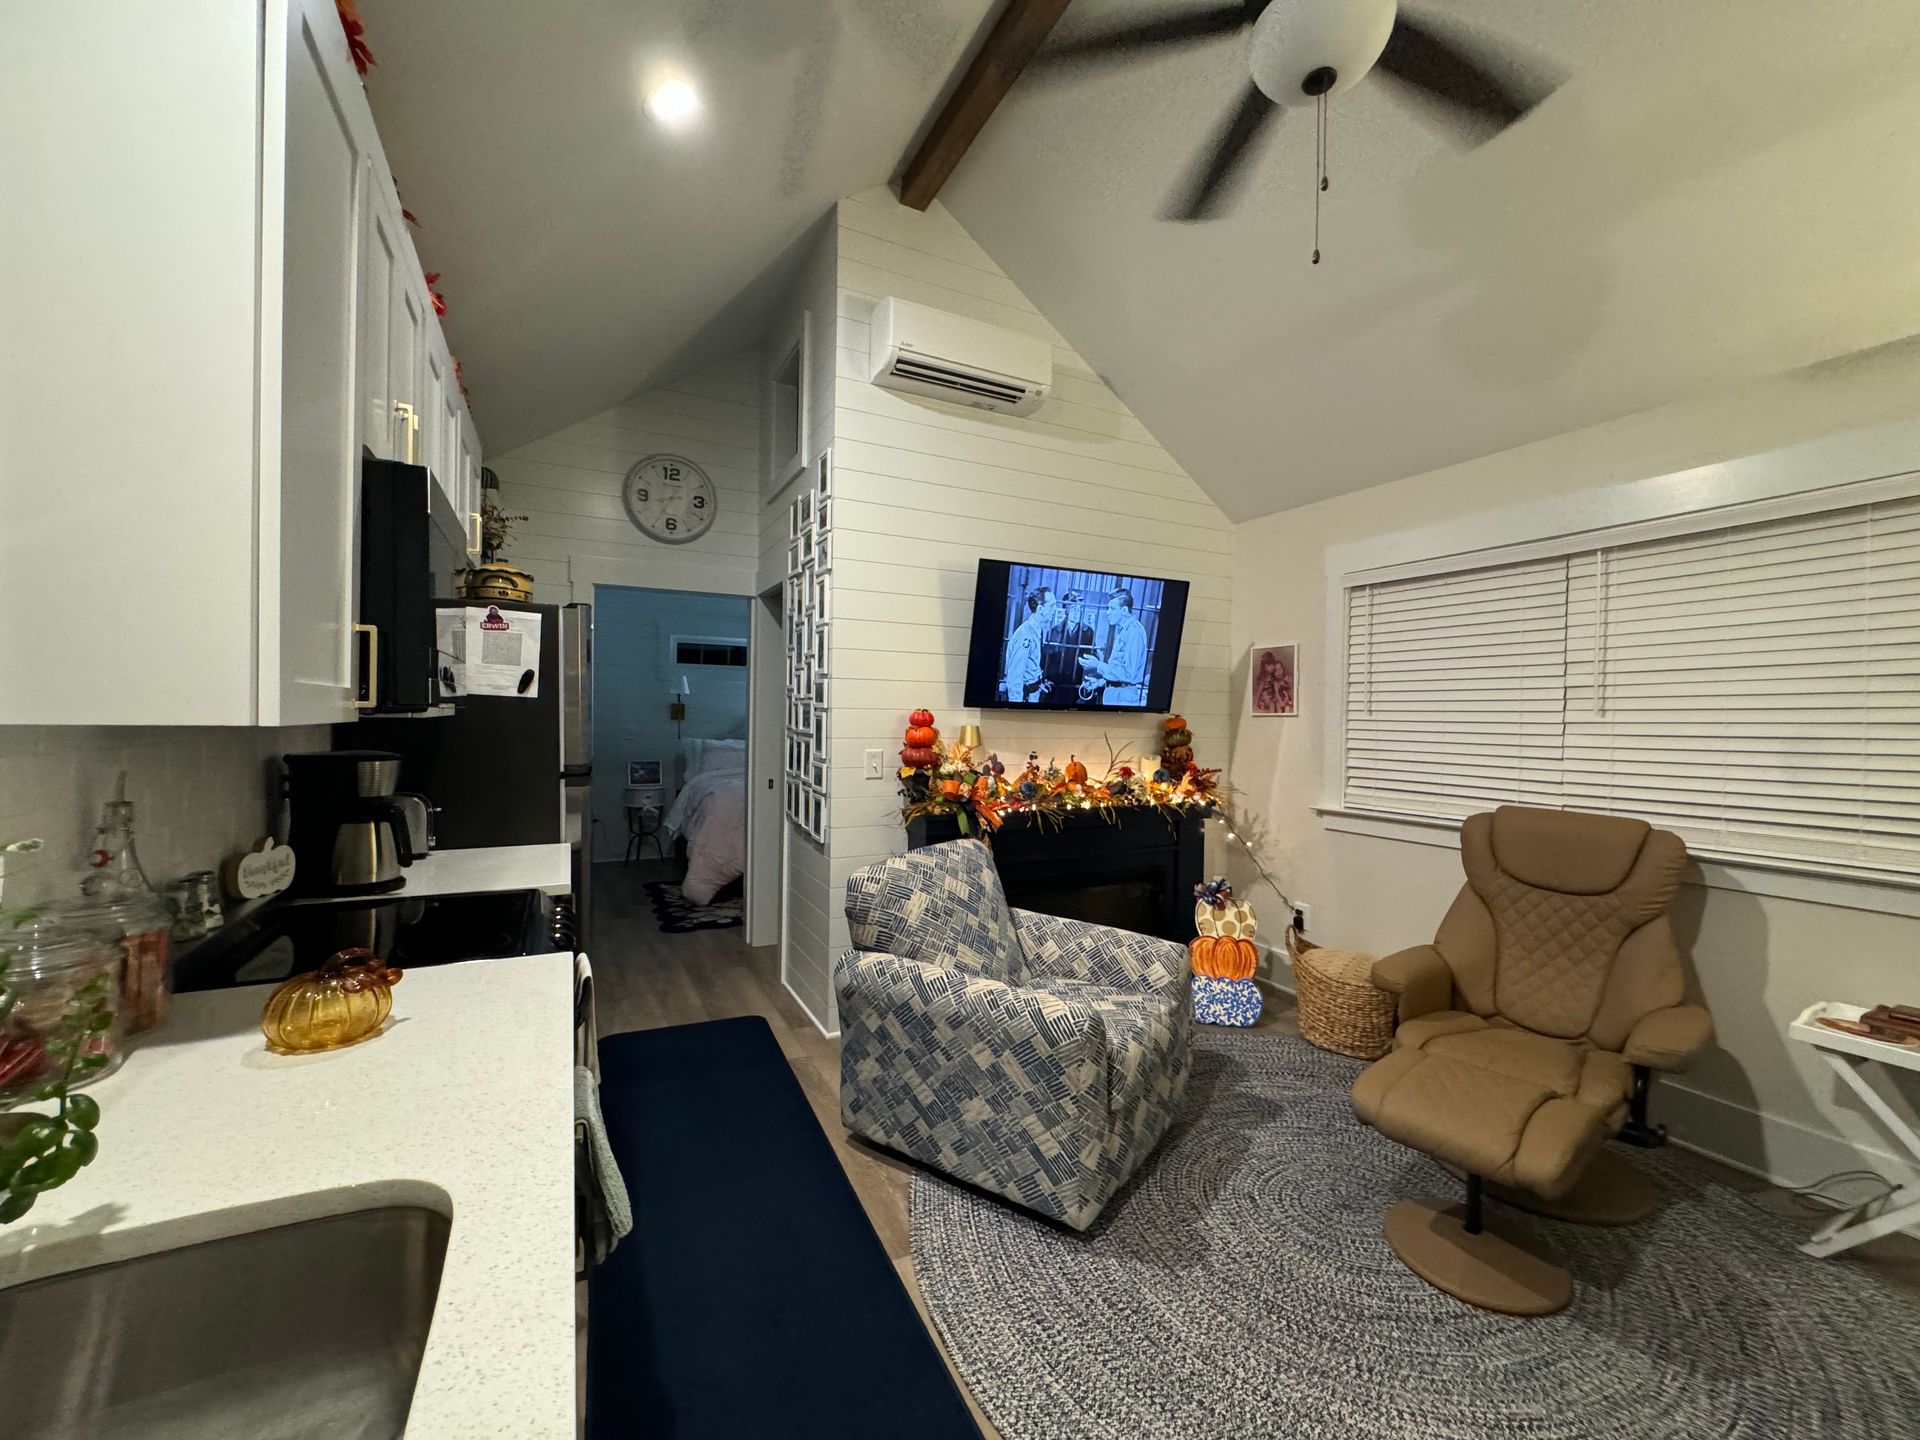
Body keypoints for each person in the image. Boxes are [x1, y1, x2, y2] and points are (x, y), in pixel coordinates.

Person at [1078, 590, 1149, 706]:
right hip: (1117, 695)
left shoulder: (1134, 632)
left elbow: (1128, 674)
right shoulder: (1124, 631)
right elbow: (1119, 671)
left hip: (1123, 700)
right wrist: (1100, 682)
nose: (1108, 613)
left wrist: (1098, 665)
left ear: (1124, 610)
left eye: (1112, 608)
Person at [1002, 587, 1060, 702]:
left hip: (1032, 694)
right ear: (1040, 609)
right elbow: (1014, 678)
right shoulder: (1026, 636)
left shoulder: (1037, 631)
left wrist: (1038, 684)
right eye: (1052, 606)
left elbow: (1031, 667)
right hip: (1024, 698)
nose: (1055, 609)